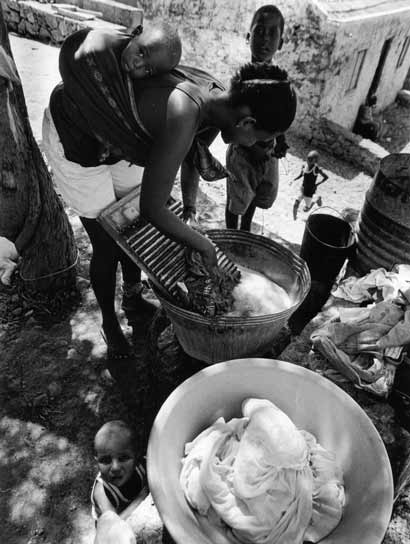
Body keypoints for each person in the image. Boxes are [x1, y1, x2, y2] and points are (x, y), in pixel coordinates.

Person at [42, 23, 297, 365]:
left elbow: (192, 156)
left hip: (118, 144)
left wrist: (190, 209)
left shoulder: (216, 96)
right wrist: (204, 245)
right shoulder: (184, 112)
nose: (254, 146)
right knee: (107, 243)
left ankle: (132, 295)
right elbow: (152, 207)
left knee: (132, 230)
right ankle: (109, 322)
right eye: (260, 139)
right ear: (247, 123)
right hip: (77, 138)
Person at [225, 4, 289, 232]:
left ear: (281, 43)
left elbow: (281, 116)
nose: (265, 39)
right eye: (260, 31)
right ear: (248, 37)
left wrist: (281, 141)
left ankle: (245, 230)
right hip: (243, 153)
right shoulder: (241, 81)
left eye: (272, 33)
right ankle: (231, 234)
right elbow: (231, 124)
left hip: (267, 153)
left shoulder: (280, 81)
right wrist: (253, 149)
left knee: (256, 194)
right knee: (236, 200)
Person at [91, 420, 146, 520]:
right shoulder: (102, 492)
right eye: (106, 460)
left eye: (123, 458)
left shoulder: (142, 464)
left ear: (137, 457)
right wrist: (140, 499)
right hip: (111, 519)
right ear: (97, 462)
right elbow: (114, 525)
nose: (115, 468)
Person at [292, 150, 328, 220]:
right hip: (303, 189)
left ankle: (316, 199)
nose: (308, 161)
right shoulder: (304, 166)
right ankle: (294, 219)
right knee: (295, 205)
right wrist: (294, 179)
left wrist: (317, 184)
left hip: (310, 192)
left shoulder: (316, 169)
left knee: (306, 210)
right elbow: (301, 174)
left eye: (311, 159)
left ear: (315, 161)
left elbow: (326, 177)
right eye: (308, 158)